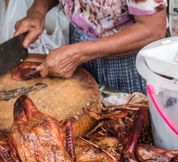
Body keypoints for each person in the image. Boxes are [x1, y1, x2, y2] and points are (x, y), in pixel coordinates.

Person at [15, 0, 168, 93]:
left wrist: (78, 54)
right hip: (79, 48)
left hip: (131, 62)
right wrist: (37, 12)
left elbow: (153, 29)